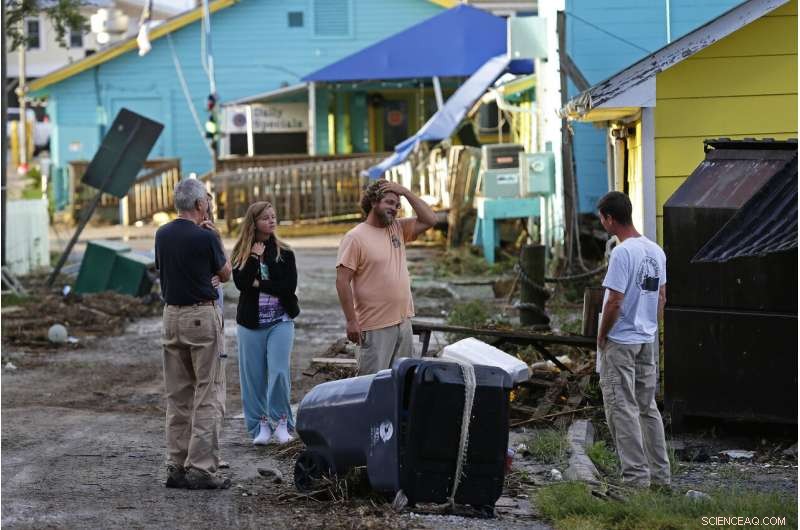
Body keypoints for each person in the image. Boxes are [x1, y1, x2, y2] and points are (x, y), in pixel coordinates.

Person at [155, 178, 231, 490]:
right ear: (199, 204)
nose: (209, 206)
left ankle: (176, 465)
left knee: (178, 395)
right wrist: (218, 239)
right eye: (207, 202)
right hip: (201, 315)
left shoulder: (162, 234)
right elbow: (225, 273)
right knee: (208, 393)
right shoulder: (206, 236)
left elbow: (163, 269)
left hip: (171, 315)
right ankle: (201, 467)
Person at [596, 191, 670, 489]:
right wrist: (651, 327)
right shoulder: (655, 251)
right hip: (646, 339)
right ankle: (660, 477)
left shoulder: (622, 253)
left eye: (602, 219)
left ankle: (636, 479)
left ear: (609, 219)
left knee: (622, 408)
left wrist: (602, 335)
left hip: (622, 340)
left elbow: (615, 301)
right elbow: (661, 297)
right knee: (647, 408)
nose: (602, 224)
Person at [336, 179, 437, 375]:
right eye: (389, 202)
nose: (394, 208)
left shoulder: (397, 229)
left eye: (397, 205)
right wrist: (351, 321)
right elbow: (342, 281)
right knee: (371, 384)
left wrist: (405, 192)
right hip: (374, 326)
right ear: (374, 202)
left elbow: (430, 220)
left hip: (403, 322)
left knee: (401, 383)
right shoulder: (354, 237)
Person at [231, 201, 300, 446]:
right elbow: (241, 283)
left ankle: (281, 422)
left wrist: (260, 284)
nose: (271, 221)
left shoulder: (285, 252)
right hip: (250, 324)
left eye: (273, 216)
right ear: (254, 223)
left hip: (280, 322)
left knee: (279, 372)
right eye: (265, 218)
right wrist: (253, 257)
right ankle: (260, 425)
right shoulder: (241, 252)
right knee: (253, 377)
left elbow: (287, 287)